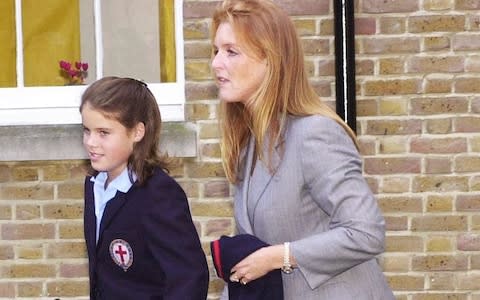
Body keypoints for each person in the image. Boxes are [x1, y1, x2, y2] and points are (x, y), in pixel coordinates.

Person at [210, 0, 395, 299]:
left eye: (231, 51)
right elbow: (251, 261)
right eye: (216, 50)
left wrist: (277, 257)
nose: (217, 63)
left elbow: (367, 232)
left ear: (271, 59)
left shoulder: (314, 134)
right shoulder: (249, 146)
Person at [80, 76, 209, 300]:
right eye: (86, 130)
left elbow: (189, 278)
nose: (91, 142)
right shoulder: (94, 185)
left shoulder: (159, 194)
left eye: (103, 133)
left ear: (137, 132)